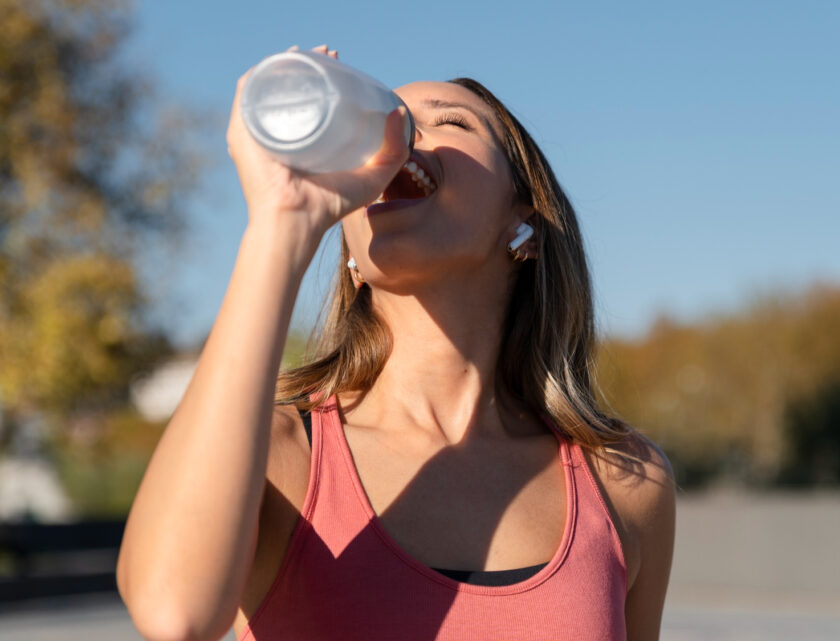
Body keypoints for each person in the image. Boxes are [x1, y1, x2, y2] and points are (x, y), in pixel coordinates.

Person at [117, 46, 676, 641]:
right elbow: (173, 612)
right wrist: (281, 221)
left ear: (526, 224)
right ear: (353, 259)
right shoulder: (285, 456)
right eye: (384, 119)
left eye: (450, 121)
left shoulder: (623, 481)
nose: (399, 137)